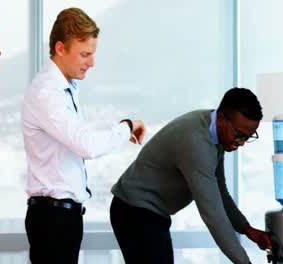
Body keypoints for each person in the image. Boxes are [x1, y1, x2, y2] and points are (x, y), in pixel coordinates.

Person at [21, 7, 146, 264]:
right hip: (52, 219)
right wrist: (127, 125)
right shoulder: (48, 93)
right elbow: (87, 145)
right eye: (85, 54)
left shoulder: (66, 88)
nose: (92, 62)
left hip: (61, 218)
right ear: (60, 48)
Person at [110, 87, 271, 264]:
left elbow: (219, 191)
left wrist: (246, 229)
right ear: (222, 118)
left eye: (247, 137)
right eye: (239, 135)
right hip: (135, 211)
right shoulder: (197, 143)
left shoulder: (213, 132)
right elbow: (213, 214)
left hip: (151, 212)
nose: (241, 143)